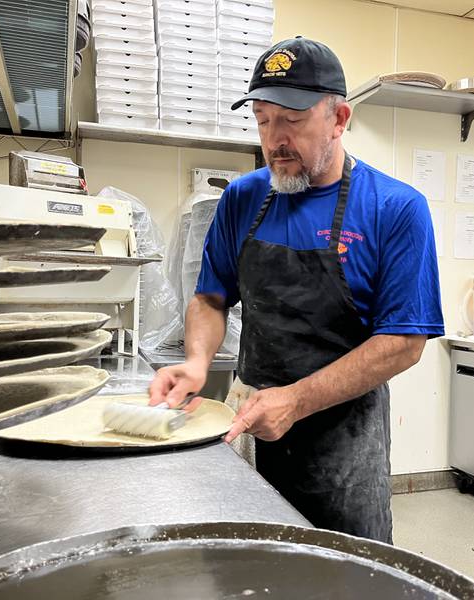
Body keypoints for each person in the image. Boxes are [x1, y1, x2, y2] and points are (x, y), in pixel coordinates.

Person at [149, 36, 444, 544]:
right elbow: (210, 297)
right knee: (253, 562)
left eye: (292, 119)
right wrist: (197, 361)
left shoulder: (395, 208)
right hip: (252, 425)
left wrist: (296, 401)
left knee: (345, 574)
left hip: (343, 443)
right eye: (263, 120)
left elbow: (402, 343)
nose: (274, 138)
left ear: (338, 119)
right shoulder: (243, 198)